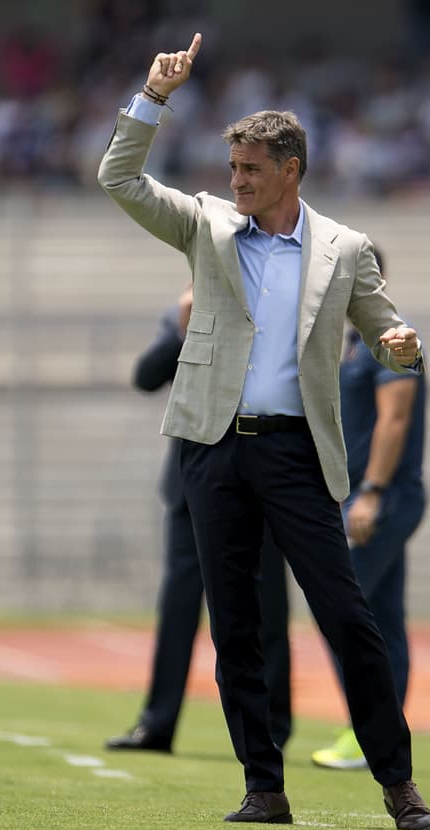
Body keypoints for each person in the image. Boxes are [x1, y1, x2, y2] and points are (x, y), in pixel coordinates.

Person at [97, 33, 430, 830]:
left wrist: (404, 349)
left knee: (348, 618)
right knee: (237, 629)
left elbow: (394, 336)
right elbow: (118, 176)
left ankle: (398, 780)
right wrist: (154, 97)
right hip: (212, 447)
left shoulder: (345, 250)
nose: (237, 182)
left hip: (296, 453)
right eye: (233, 169)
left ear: (291, 170)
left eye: (252, 170)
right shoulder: (207, 225)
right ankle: (264, 786)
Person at [106, 284, 293, 754]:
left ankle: (273, 725)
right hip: (193, 485)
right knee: (177, 608)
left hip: (257, 482)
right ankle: (157, 722)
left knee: (265, 607)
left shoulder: (266, 307)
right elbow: (145, 376)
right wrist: (186, 329)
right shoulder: (184, 310)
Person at [311, 248, 430, 771]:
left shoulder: (391, 336)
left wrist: (373, 492)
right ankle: (382, 730)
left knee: (342, 608)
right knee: (383, 616)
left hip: (382, 497)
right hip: (366, 495)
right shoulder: (356, 342)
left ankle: (369, 729)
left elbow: (395, 417)